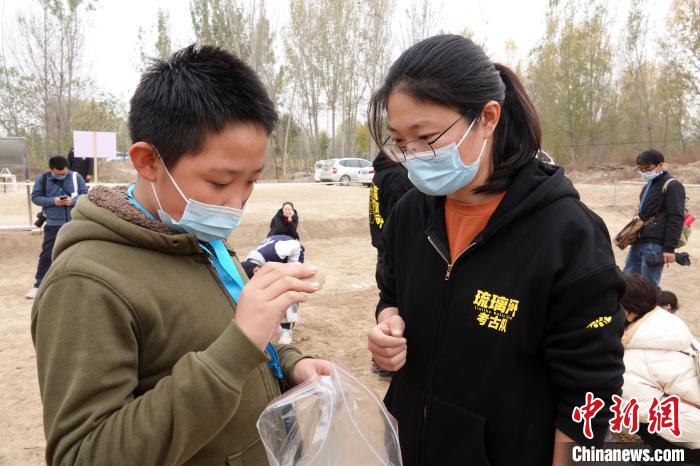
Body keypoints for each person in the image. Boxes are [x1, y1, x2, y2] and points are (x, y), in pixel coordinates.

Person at [31, 44, 330, 466]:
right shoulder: (85, 283)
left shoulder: (197, 238)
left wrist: (291, 363)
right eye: (220, 182)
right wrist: (239, 345)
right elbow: (84, 454)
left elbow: (224, 339)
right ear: (148, 161)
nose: (236, 204)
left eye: (251, 181)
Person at [366, 35, 626, 466]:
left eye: (426, 137)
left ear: (487, 118)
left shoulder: (566, 233)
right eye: (400, 141)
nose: (413, 156)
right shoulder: (410, 214)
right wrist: (387, 324)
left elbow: (590, 390)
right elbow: (390, 292)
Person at [620, 273, 699, 462]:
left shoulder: (633, 353)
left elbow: (637, 409)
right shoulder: (666, 324)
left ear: (629, 312)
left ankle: (663, 456)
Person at [368, 149, 413, 377]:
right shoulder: (397, 176)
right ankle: (387, 364)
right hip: (396, 252)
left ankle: (384, 361)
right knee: (398, 309)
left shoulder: (380, 173)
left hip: (383, 250)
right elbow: (407, 222)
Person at [26, 155, 87, 299]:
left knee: (77, 254)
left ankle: (78, 286)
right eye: (58, 174)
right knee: (47, 255)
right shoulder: (42, 179)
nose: (62, 175)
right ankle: (38, 285)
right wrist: (53, 201)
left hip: (74, 223)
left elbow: (85, 195)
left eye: (64, 173)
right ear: (51, 169)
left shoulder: (76, 177)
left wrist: (72, 201)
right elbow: (35, 197)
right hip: (53, 224)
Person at [623, 149, 686, 287]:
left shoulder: (672, 185)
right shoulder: (648, 186)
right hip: (638, 241)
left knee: (648, 287)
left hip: (655, 245)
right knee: (628, 283)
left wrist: (669, 248)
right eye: (641, 169)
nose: (645, 172)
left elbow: (676, 217)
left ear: (660, 165)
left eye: (648, 168)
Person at [241, 234, 305, 344]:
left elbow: (296, 246)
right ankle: (274, 322)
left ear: (256, 270)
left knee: (290, 291)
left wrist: (291, 267)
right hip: (273, 262)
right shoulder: (246, 264)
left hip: (293, 254)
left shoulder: (277, 250)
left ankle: (287, 330)